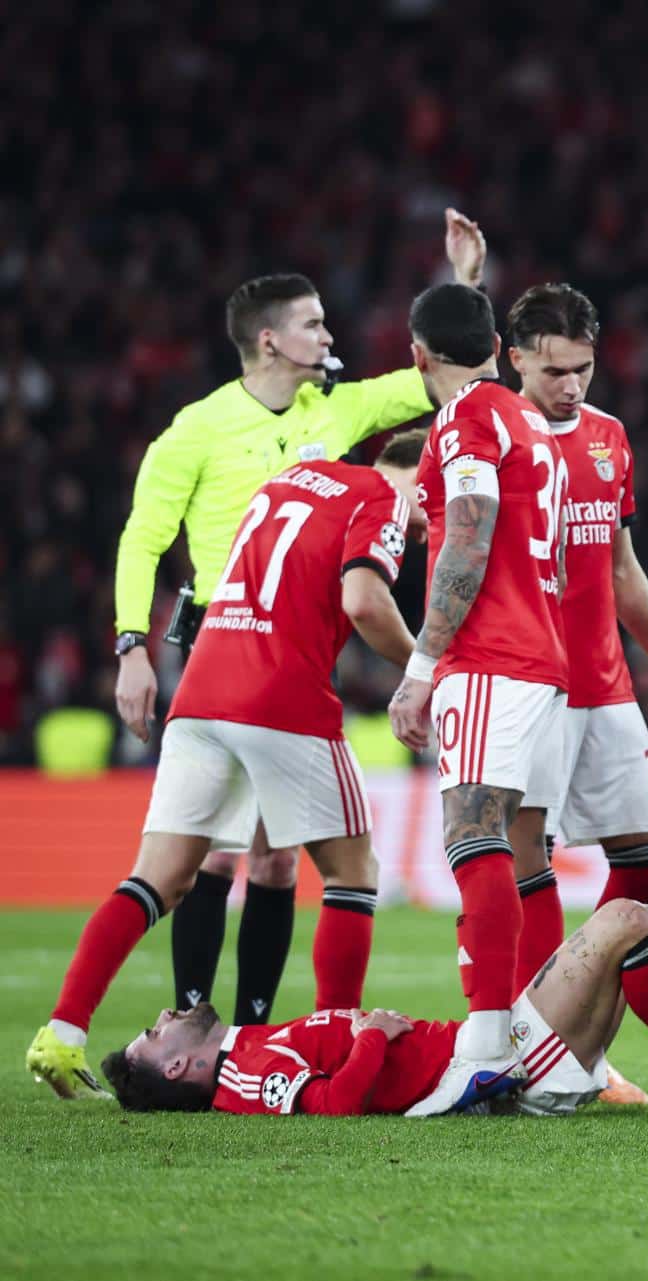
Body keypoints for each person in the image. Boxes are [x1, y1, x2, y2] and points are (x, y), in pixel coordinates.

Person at [111, 212, 485, 1027]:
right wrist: (131, 644)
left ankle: (249, 1031)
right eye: (314, 323)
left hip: (302, 643)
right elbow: (143, 537)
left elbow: (438, 380)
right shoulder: (198, 428)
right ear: (270, 340)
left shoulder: (336, 408)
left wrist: (463, 286)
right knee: (215, 855)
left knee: (277, 863)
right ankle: (191, 1019)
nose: (329, 334)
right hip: (221, 636)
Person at [27, 434, 426, 1098]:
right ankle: (333, 1046)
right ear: (418, 473)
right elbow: (363, 600)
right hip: (281, 693)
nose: (425, 527)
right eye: (430, 509)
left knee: (157, 879)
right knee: (352, 873)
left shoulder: (289, 479)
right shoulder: (381, 494)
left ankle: (63, 1032)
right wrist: (424, 666)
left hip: (202, 690)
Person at [500, 283, 648, 1114]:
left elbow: (620, 566)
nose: (570, 386)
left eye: (583, 369)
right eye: (553, 370)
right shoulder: (493, 440)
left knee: (645, 862)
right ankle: (536, 1052)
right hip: (525, 683)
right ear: (514, 358)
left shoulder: (607, 436)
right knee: (528, 861)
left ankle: (568, 1022)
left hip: (604, 683)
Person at [385, 283, 571, 1117]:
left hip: (492, 655)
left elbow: (467, 533)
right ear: (498, 345)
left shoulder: (465, 417)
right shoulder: (527, 417)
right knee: (523, 851)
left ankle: (489, 1046)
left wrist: (422, 663)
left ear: (418, 356)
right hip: (543, 657)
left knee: (472, 831)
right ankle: (542, 1048)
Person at [96, 898, 648, 1118]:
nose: (164, 1017)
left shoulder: (245, 1050)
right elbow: (335, 1106)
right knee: (627, 919)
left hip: (498, 1051)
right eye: (152, 1033)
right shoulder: (245, 1075)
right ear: (175, 1068)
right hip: (508, 1062)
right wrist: (372, 1033)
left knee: (633, 930)